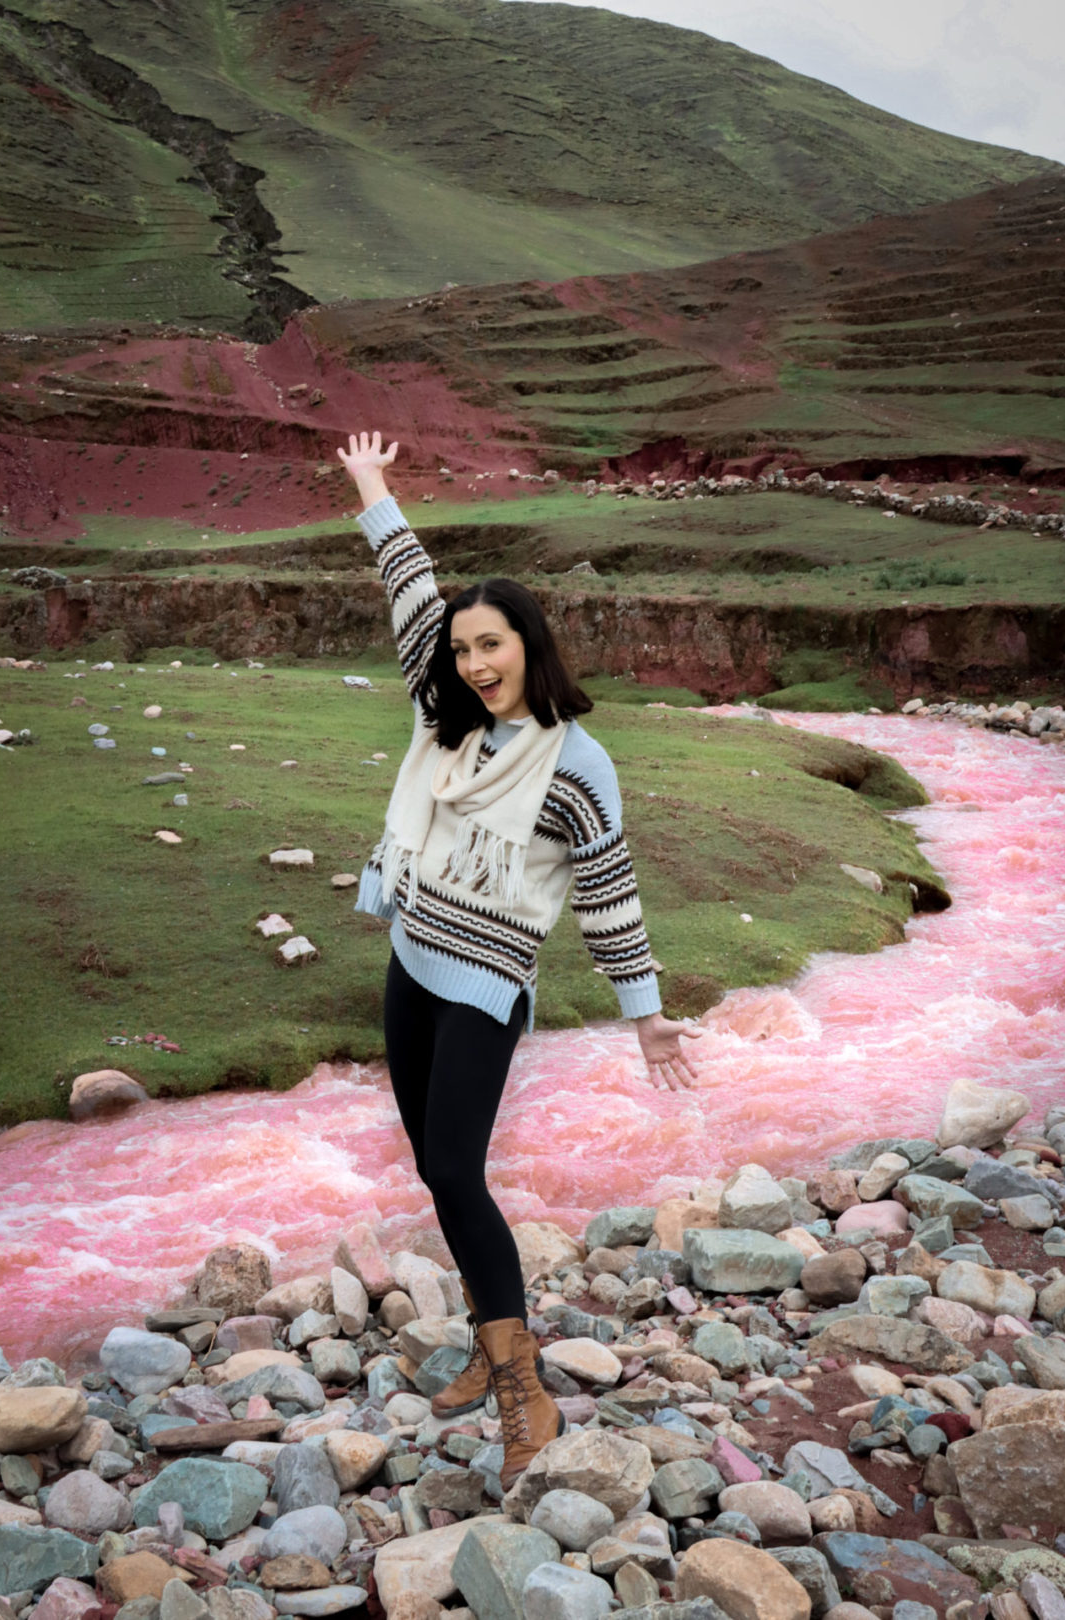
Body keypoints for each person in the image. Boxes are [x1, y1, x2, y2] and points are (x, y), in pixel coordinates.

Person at [337, 430, 702, 1488]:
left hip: (485, 991)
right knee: (437, 1171)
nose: (474, 665)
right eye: (463, 651)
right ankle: (492, 1343)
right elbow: (410, 590)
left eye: (490, 645)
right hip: (412, 963)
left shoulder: (579, 768)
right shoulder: (445, 718)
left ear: (529, 645)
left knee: (454, 1167)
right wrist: (371, 486)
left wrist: (645, 1014)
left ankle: (522, 1389)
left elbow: (610, 894)